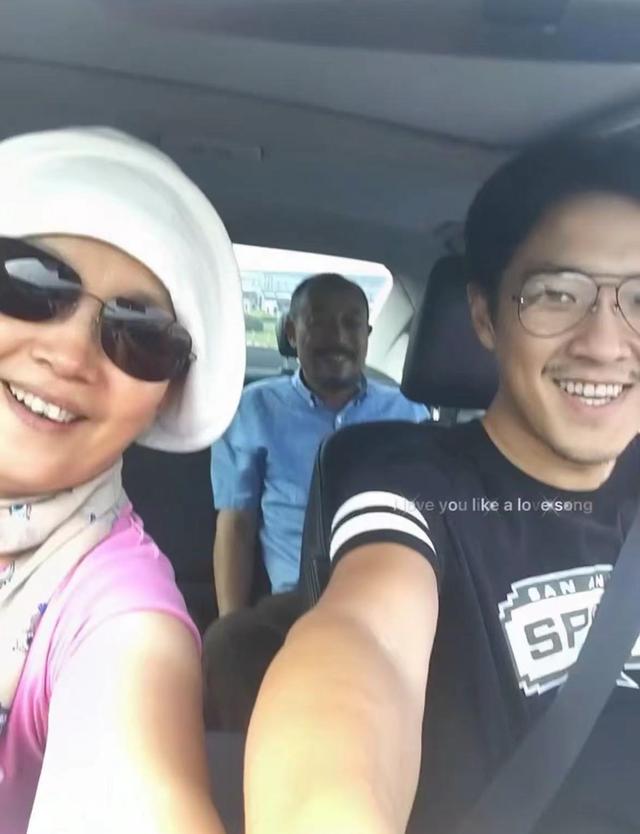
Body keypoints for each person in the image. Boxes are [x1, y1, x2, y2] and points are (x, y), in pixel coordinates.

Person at [244, 139, 640, 834]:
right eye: (556, 295)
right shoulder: (414, 483)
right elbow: (364, 638)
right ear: (484, 318)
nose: (605, 344)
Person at [0, 127, 245, 834]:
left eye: (140, 336)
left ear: (165, 394)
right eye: (30, 284)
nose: (71, 354)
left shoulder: (119, 615)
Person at [203, 273, 426, 730]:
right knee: (229, 648)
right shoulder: (254, 409)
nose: (337, 338)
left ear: (367, 335)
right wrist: (233, 620)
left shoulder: (409, 412)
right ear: (291, 331)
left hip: (389, 596)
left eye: (351, 324)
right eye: (319, 322)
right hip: (296, 600)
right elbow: (236, 524)